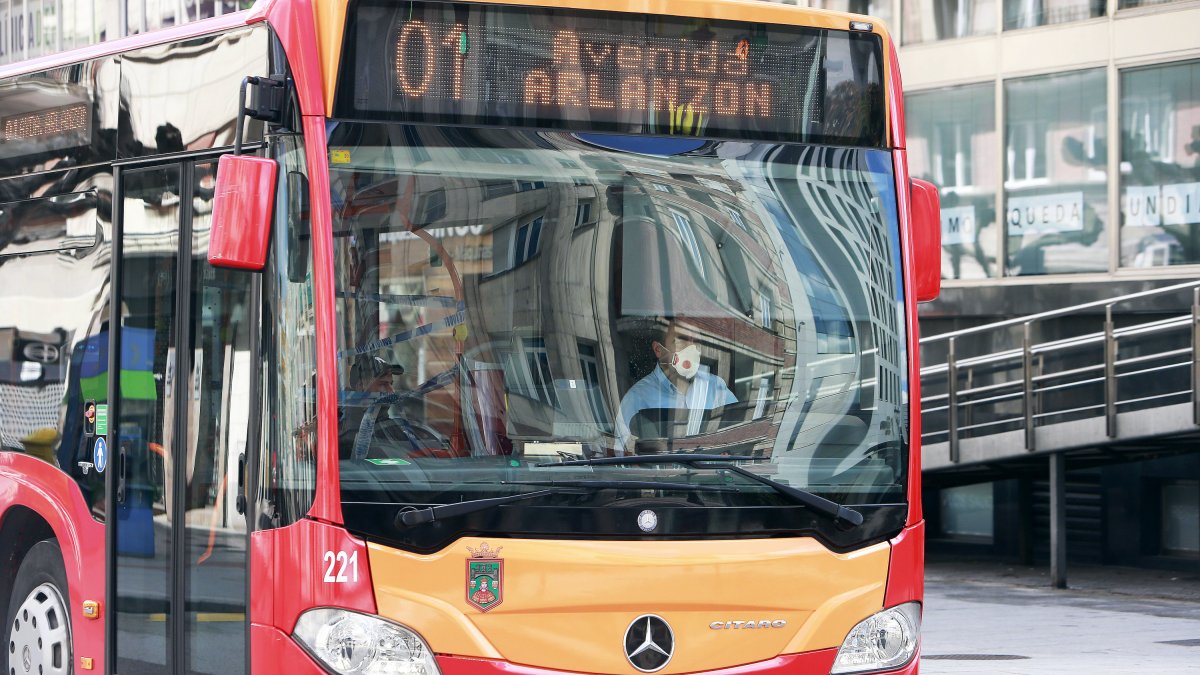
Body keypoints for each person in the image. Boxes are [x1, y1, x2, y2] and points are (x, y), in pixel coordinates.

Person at [614, 318, 736, 455]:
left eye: (696, 341)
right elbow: (623, 456)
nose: (692, 347)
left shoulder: (716, 387)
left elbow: (740, 433)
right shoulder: (638, 398)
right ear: (658, 350)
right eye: (682, 339)